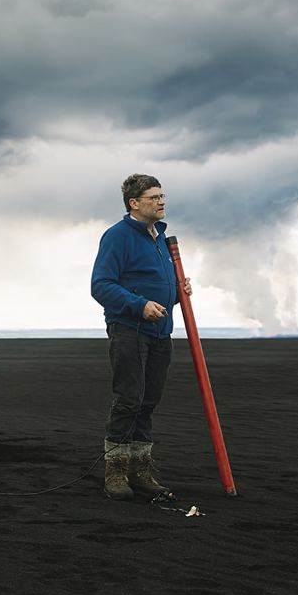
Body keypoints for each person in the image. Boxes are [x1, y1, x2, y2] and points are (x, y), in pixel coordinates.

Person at [91, 173, 192, 500]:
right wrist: (139, 306)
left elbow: (157, 286)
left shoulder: (161, 238)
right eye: (154, 197)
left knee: (148, 401)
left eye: (163, 196)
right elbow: (101, 285)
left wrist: (179, 292)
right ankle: (115, 473)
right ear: (134, 203)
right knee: (129, 400)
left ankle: (141, 470)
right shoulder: (117, 236)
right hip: (129, 330)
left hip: (161, 332)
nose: (162, 201)